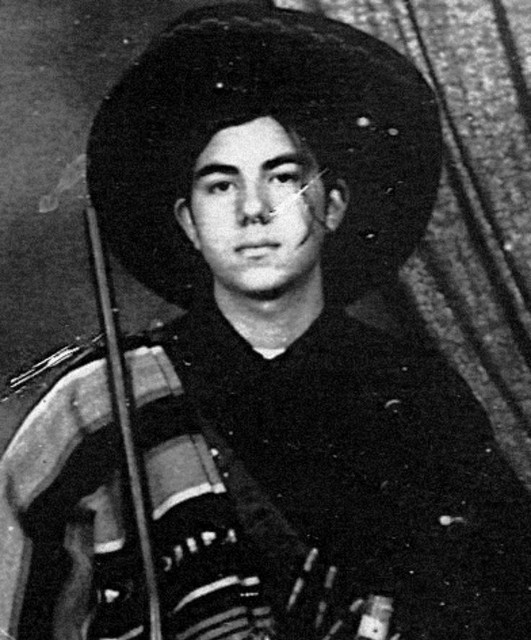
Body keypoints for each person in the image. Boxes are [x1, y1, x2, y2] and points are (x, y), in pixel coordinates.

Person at [2, 2, 531, 639]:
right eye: (220, 185)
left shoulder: (416, 392)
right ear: (189, 222)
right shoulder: (100, 402)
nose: (253, 210)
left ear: (333, 207)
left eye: (282, 178)